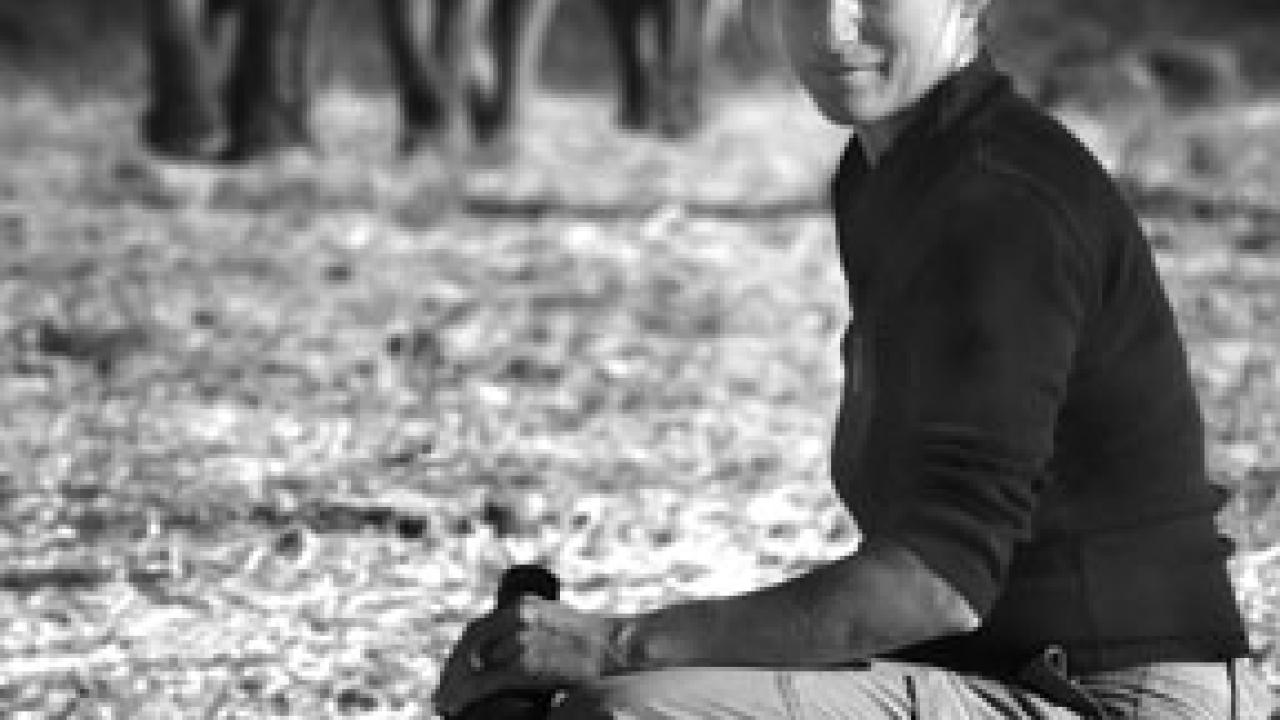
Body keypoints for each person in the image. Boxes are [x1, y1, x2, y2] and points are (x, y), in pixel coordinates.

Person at [432, 0, 1278, 717]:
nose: (835, 30)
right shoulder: (890, 172)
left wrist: (616, 644)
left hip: (1115, 695)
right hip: (1007, 673)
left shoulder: (998, 199)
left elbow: (935, 583)